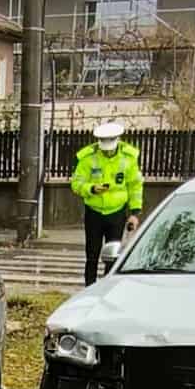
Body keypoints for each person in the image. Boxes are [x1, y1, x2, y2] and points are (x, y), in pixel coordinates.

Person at [71, 121, 144, 286]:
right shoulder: (88, 158)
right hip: (94, 212)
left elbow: (135, 186)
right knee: (92, 255)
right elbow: (76, 183)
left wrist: (134, 213)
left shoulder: (129, 158)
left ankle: (107, 287)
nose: (108, 151)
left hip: (117, 213)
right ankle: (89, 288)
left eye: (110, 147)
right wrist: (91, 188)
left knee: (112, 255)